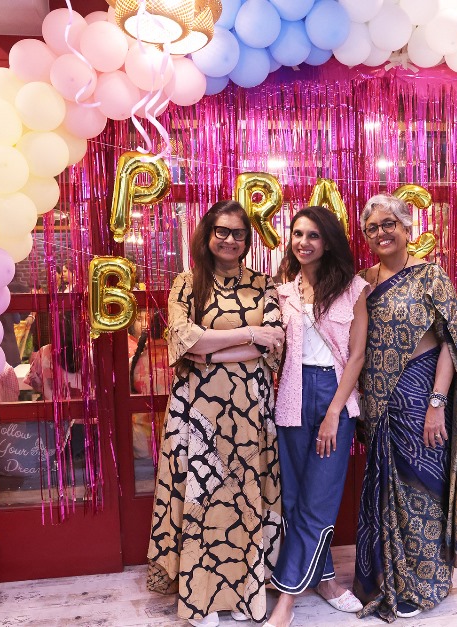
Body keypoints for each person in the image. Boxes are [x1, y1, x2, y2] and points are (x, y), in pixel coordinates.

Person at [147, 200, 285, 627]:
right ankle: (200, 599)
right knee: (203, 497)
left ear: (247, 239)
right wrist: (248, 334)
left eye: (238, 233)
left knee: (245, 497)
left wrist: (210, 349)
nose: (229, 239)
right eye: (221, 231)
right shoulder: (187, 283)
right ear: (208, 234)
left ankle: (245, 594)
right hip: (198, 414)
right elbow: (183, 339)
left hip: (250, 412)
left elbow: (273, 343)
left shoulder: (263, 284)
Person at [354, 194, 457, 621]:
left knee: (424, 487)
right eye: (372, 228)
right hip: (379, 404)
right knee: (386, 492)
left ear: (407, 228)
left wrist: (436, 403)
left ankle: (426, 583)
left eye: (388, 224)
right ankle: (389, 578)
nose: (381, 233)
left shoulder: (431, 276)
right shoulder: (363, 282)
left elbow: (451, 343)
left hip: (420, 398)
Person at [265, 207, 368, 627]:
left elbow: (357, 356)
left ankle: (287, 599)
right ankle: (325, 580)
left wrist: (334, 412)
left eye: (313, 235)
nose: (303, 242)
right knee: (293, 499)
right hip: (291, 394)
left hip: (333, 393)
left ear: (327, 242)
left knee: (318, 499)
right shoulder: (282, 292)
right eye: (297, 234)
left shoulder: (353, 289)